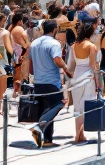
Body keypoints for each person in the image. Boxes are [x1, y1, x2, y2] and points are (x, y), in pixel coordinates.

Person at [29, 20, 73, 148]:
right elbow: (57, 60)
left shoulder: (34, 43)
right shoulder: (54, 44)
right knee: (58, 104)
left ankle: (46, 138)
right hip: (51, 82)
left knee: (45, 110)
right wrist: (66, 69)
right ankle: (40, 129)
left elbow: (30, 61)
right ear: (54, 30)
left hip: (37, 81)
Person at [67, 22, 99, 143]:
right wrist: (98, 81)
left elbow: (71, 64)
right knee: (86, 106)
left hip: (77, 77)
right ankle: (80, 134)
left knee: (77, 107)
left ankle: (78, 134)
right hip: (88, 77)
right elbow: (92, 65)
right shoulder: (91, 46)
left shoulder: (74, 46)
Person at [10, 11, 30, 95]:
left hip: (15, 54)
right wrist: (29, 44)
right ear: (19, 21)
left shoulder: (11, 28)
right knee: (23, 73)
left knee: (17, 73)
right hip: (22, 53)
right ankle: (21, 91)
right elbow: (27, 41)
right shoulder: (20, 29)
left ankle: (16, 91)